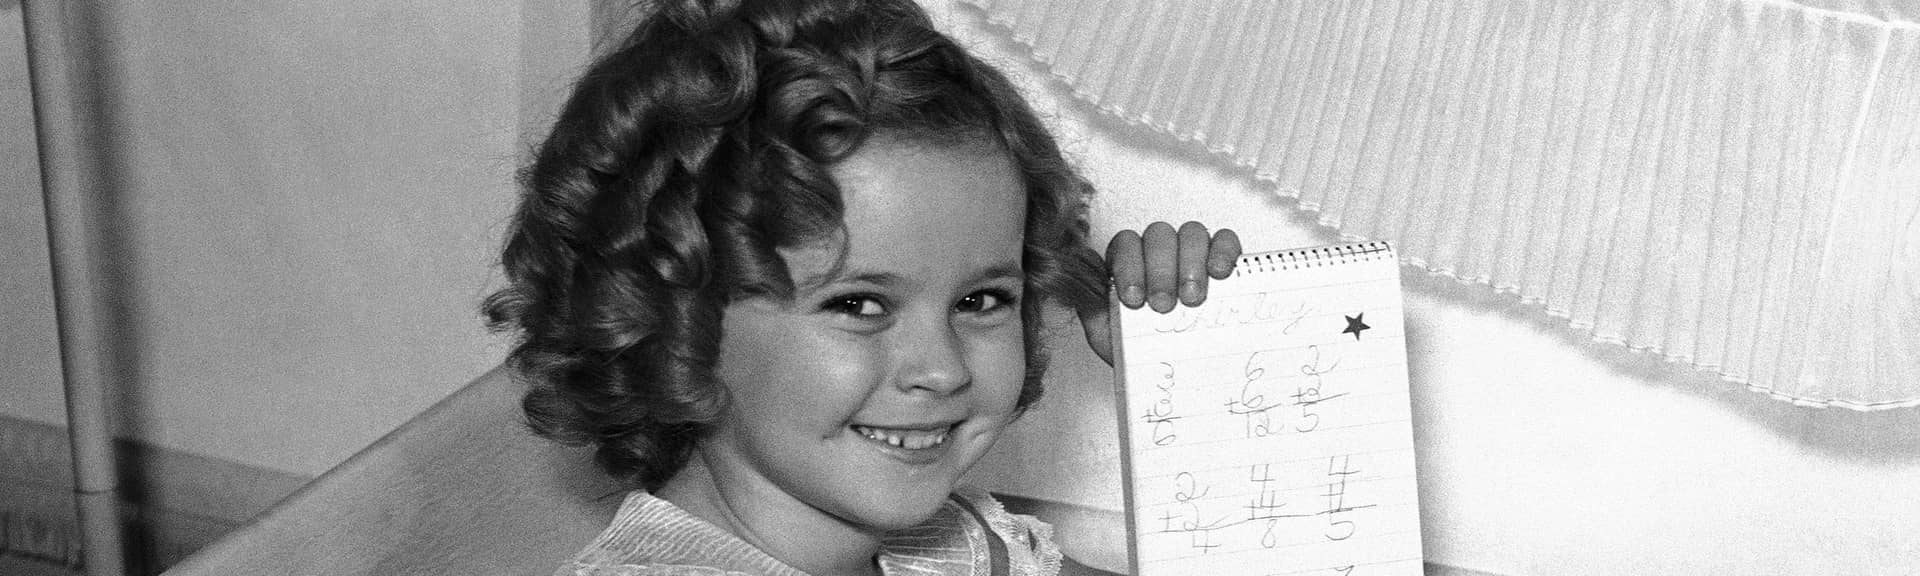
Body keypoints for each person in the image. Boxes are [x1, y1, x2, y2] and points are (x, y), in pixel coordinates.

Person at [484, 0, 1242, 574]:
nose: (942, 368)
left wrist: (1190, 392)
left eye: (981, 301)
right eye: (859, 304)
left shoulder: (955, 548)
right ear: (673, 317)